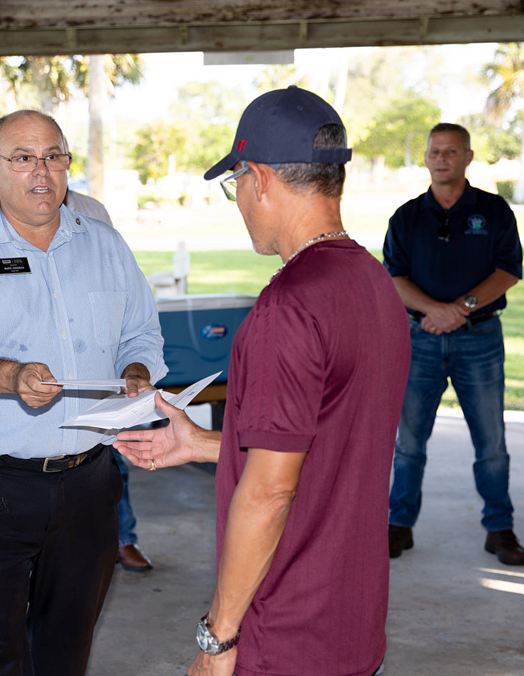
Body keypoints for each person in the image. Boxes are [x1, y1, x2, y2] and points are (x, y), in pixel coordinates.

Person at [115, 86, 410, 676]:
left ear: (261, 178)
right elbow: (322, 445)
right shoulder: (374, 283)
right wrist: (203, 444)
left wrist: (218, 638)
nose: (239, 202)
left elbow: (270, 493)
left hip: (287, 635)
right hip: (353, 624)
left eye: (235, 185)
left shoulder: (287, 308)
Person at [0, 110, 167, 676]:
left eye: (53, 156)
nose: (42, 171)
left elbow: (141, 333)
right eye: (23, 158)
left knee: (66, 646)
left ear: (67, 165)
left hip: (90, 482)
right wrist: (12, 377)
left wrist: (136, 370)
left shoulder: (106, 246)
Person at [383, 122, 524, 566]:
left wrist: (459, 309)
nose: (441, 158)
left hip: (479, 339)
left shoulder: (494, 211)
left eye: (451, 151)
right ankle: (399, 524)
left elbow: (509, 270)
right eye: (435, 151)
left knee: (491, 443)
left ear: (468, 157)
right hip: (420, 341)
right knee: (409, 443)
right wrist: (435, 311)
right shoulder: (406, 216)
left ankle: (500, 528)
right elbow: (392, 279)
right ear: (426, 157)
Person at [64, 188, 153, 573]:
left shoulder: (92, 210)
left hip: (101, 362)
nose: (43, 170)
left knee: (117, 456)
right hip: (52, 371)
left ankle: (123, 538)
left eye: (54, 159)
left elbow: (114, 280)